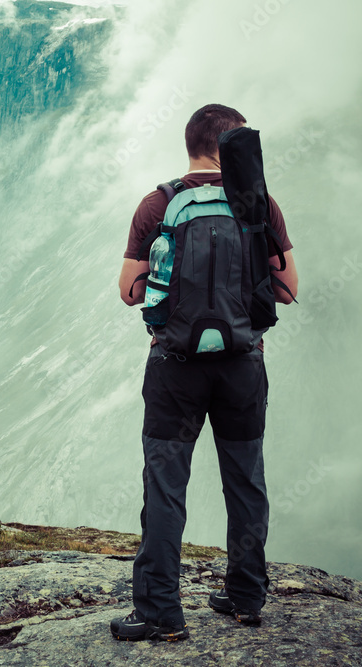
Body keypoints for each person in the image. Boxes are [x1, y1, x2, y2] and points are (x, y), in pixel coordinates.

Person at [110, 104, 299, 641]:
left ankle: (160, 613)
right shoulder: (259, 204)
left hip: (174, 369)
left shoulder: (159, 203)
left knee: (166, 488)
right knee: (245, 483)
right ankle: (244, 597)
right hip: (243, 366)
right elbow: (289, 288)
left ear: (191, 144)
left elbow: (128, 291)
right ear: (235, 146)